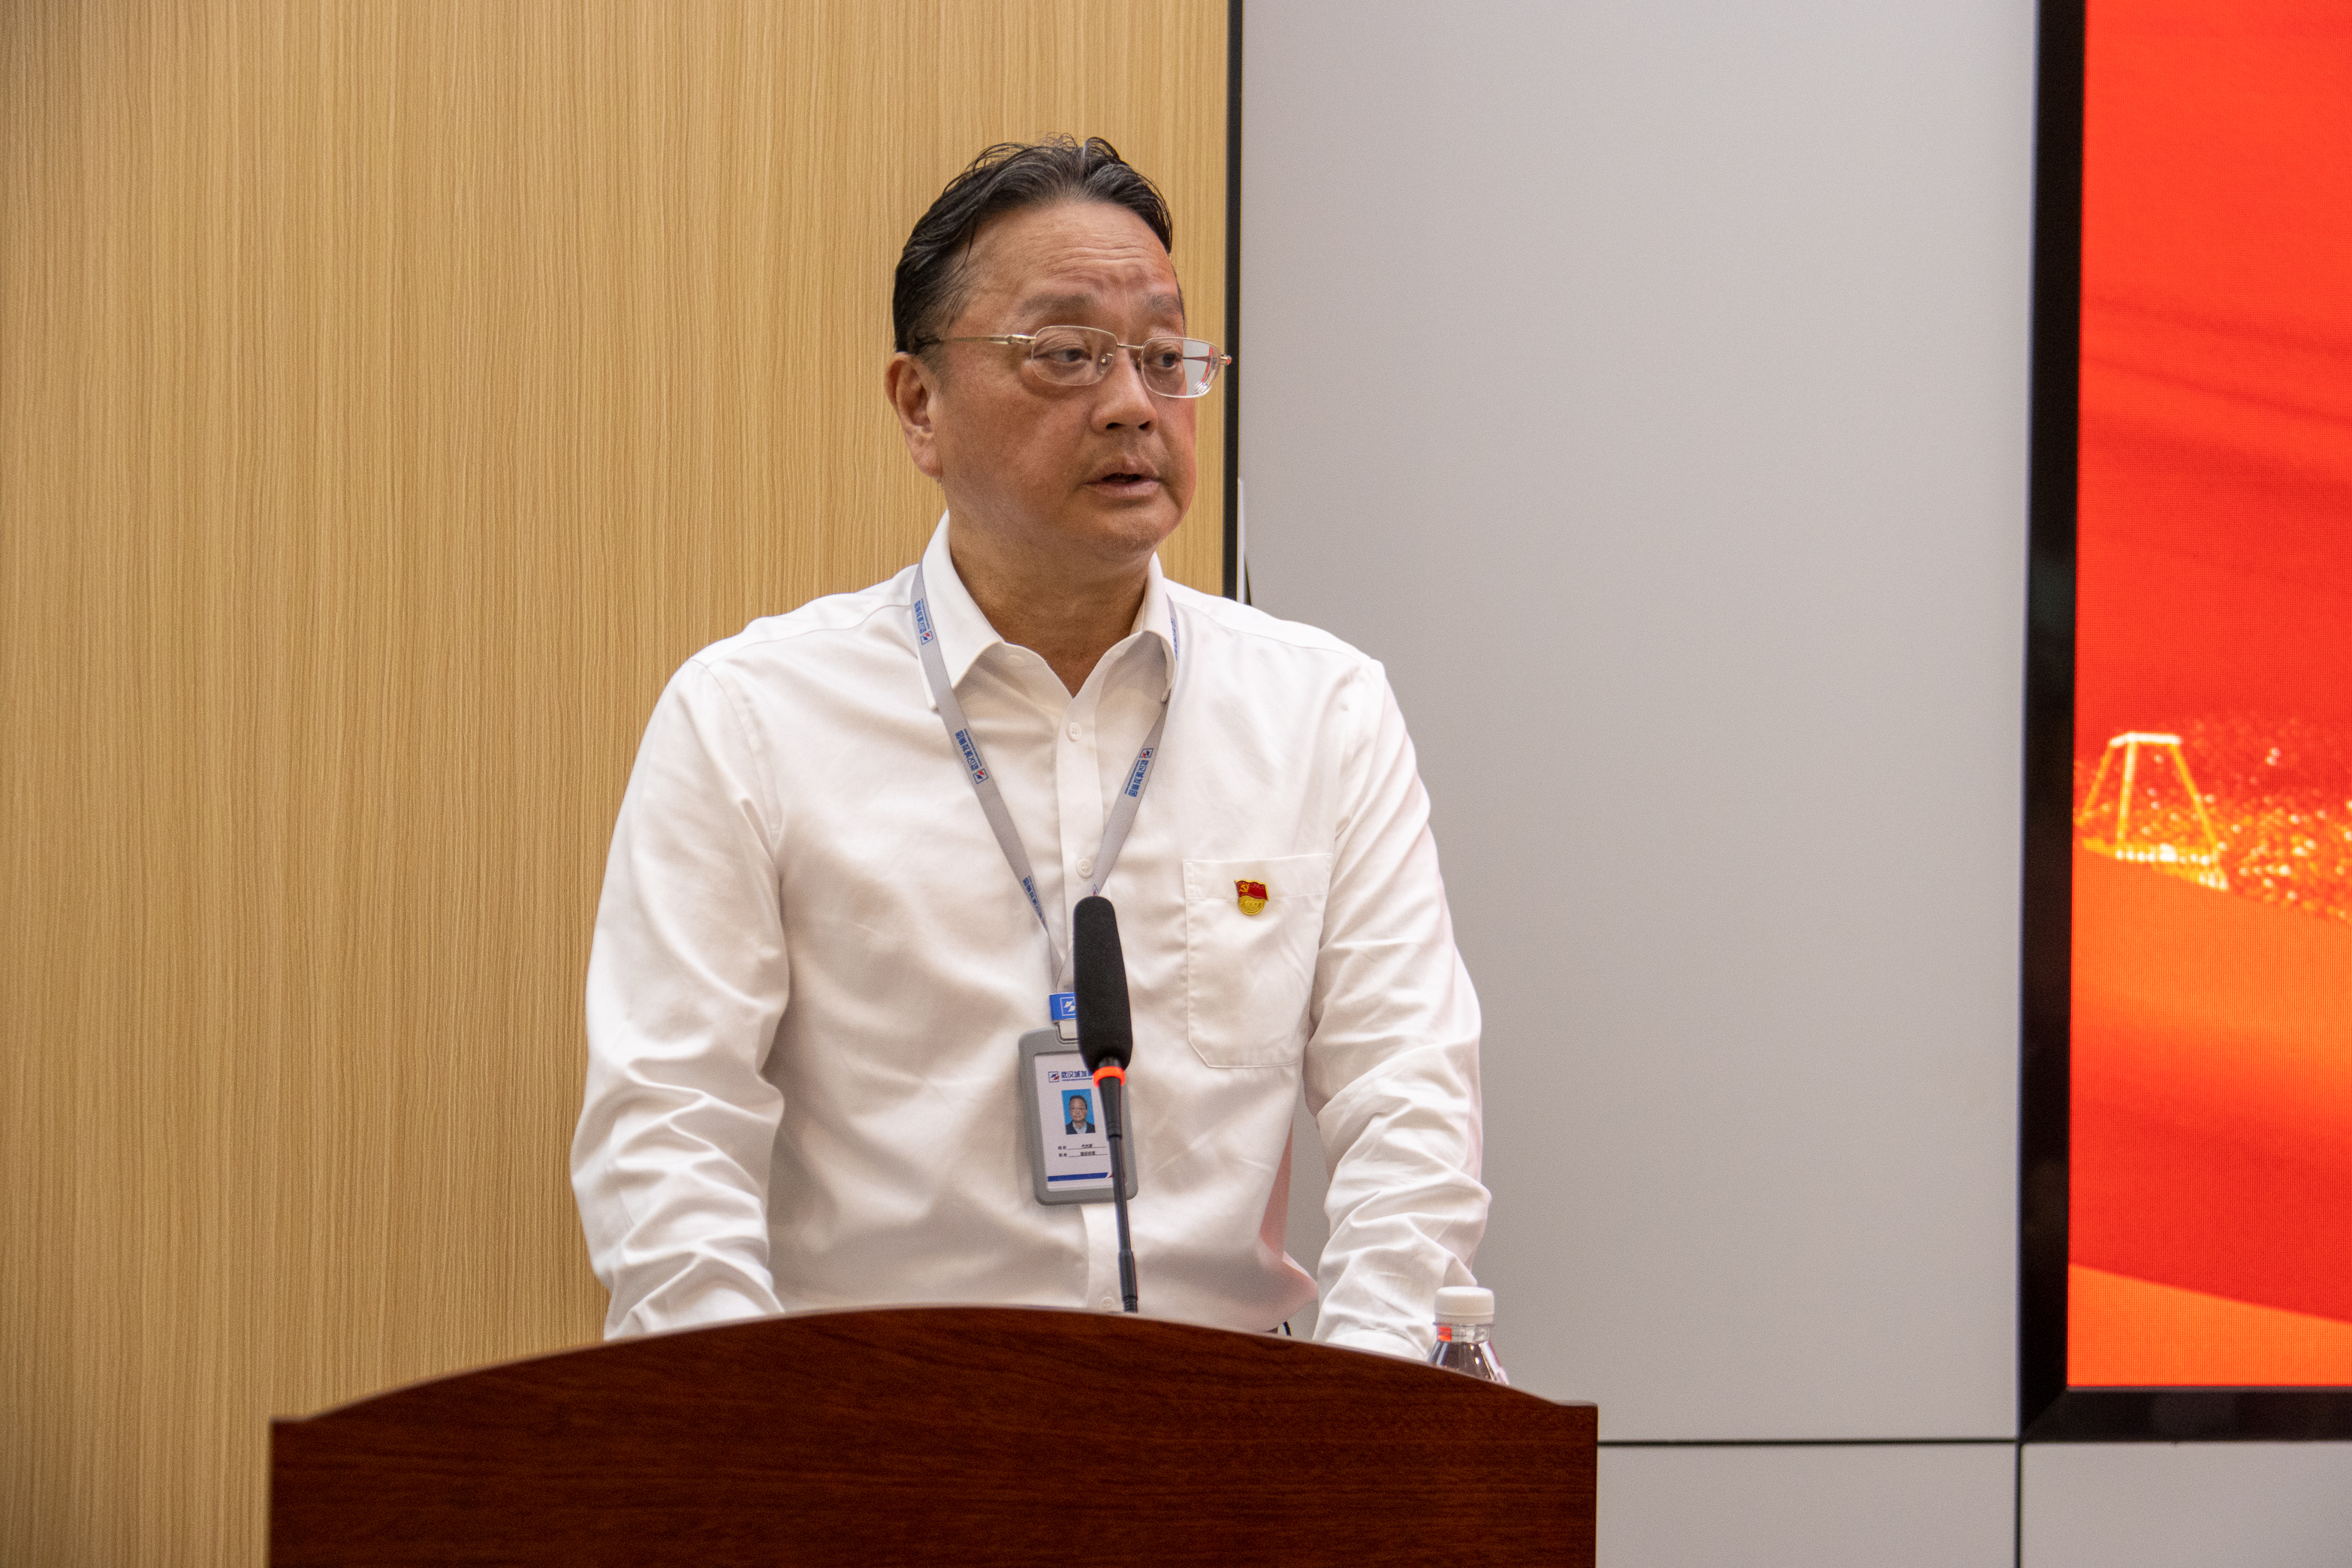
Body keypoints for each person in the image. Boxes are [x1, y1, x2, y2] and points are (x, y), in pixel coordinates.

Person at [571, 137, 1486, 1358]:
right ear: (921, 405)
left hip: (1232, 1423)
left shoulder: (1322, 710)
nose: (1133, 403)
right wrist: (759, 1436)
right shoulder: (750, 718)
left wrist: (1363, 1419)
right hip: (874, 1424)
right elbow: (668, 1132)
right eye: (1066, 354)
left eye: (1165, 356)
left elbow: (1406, 1102)